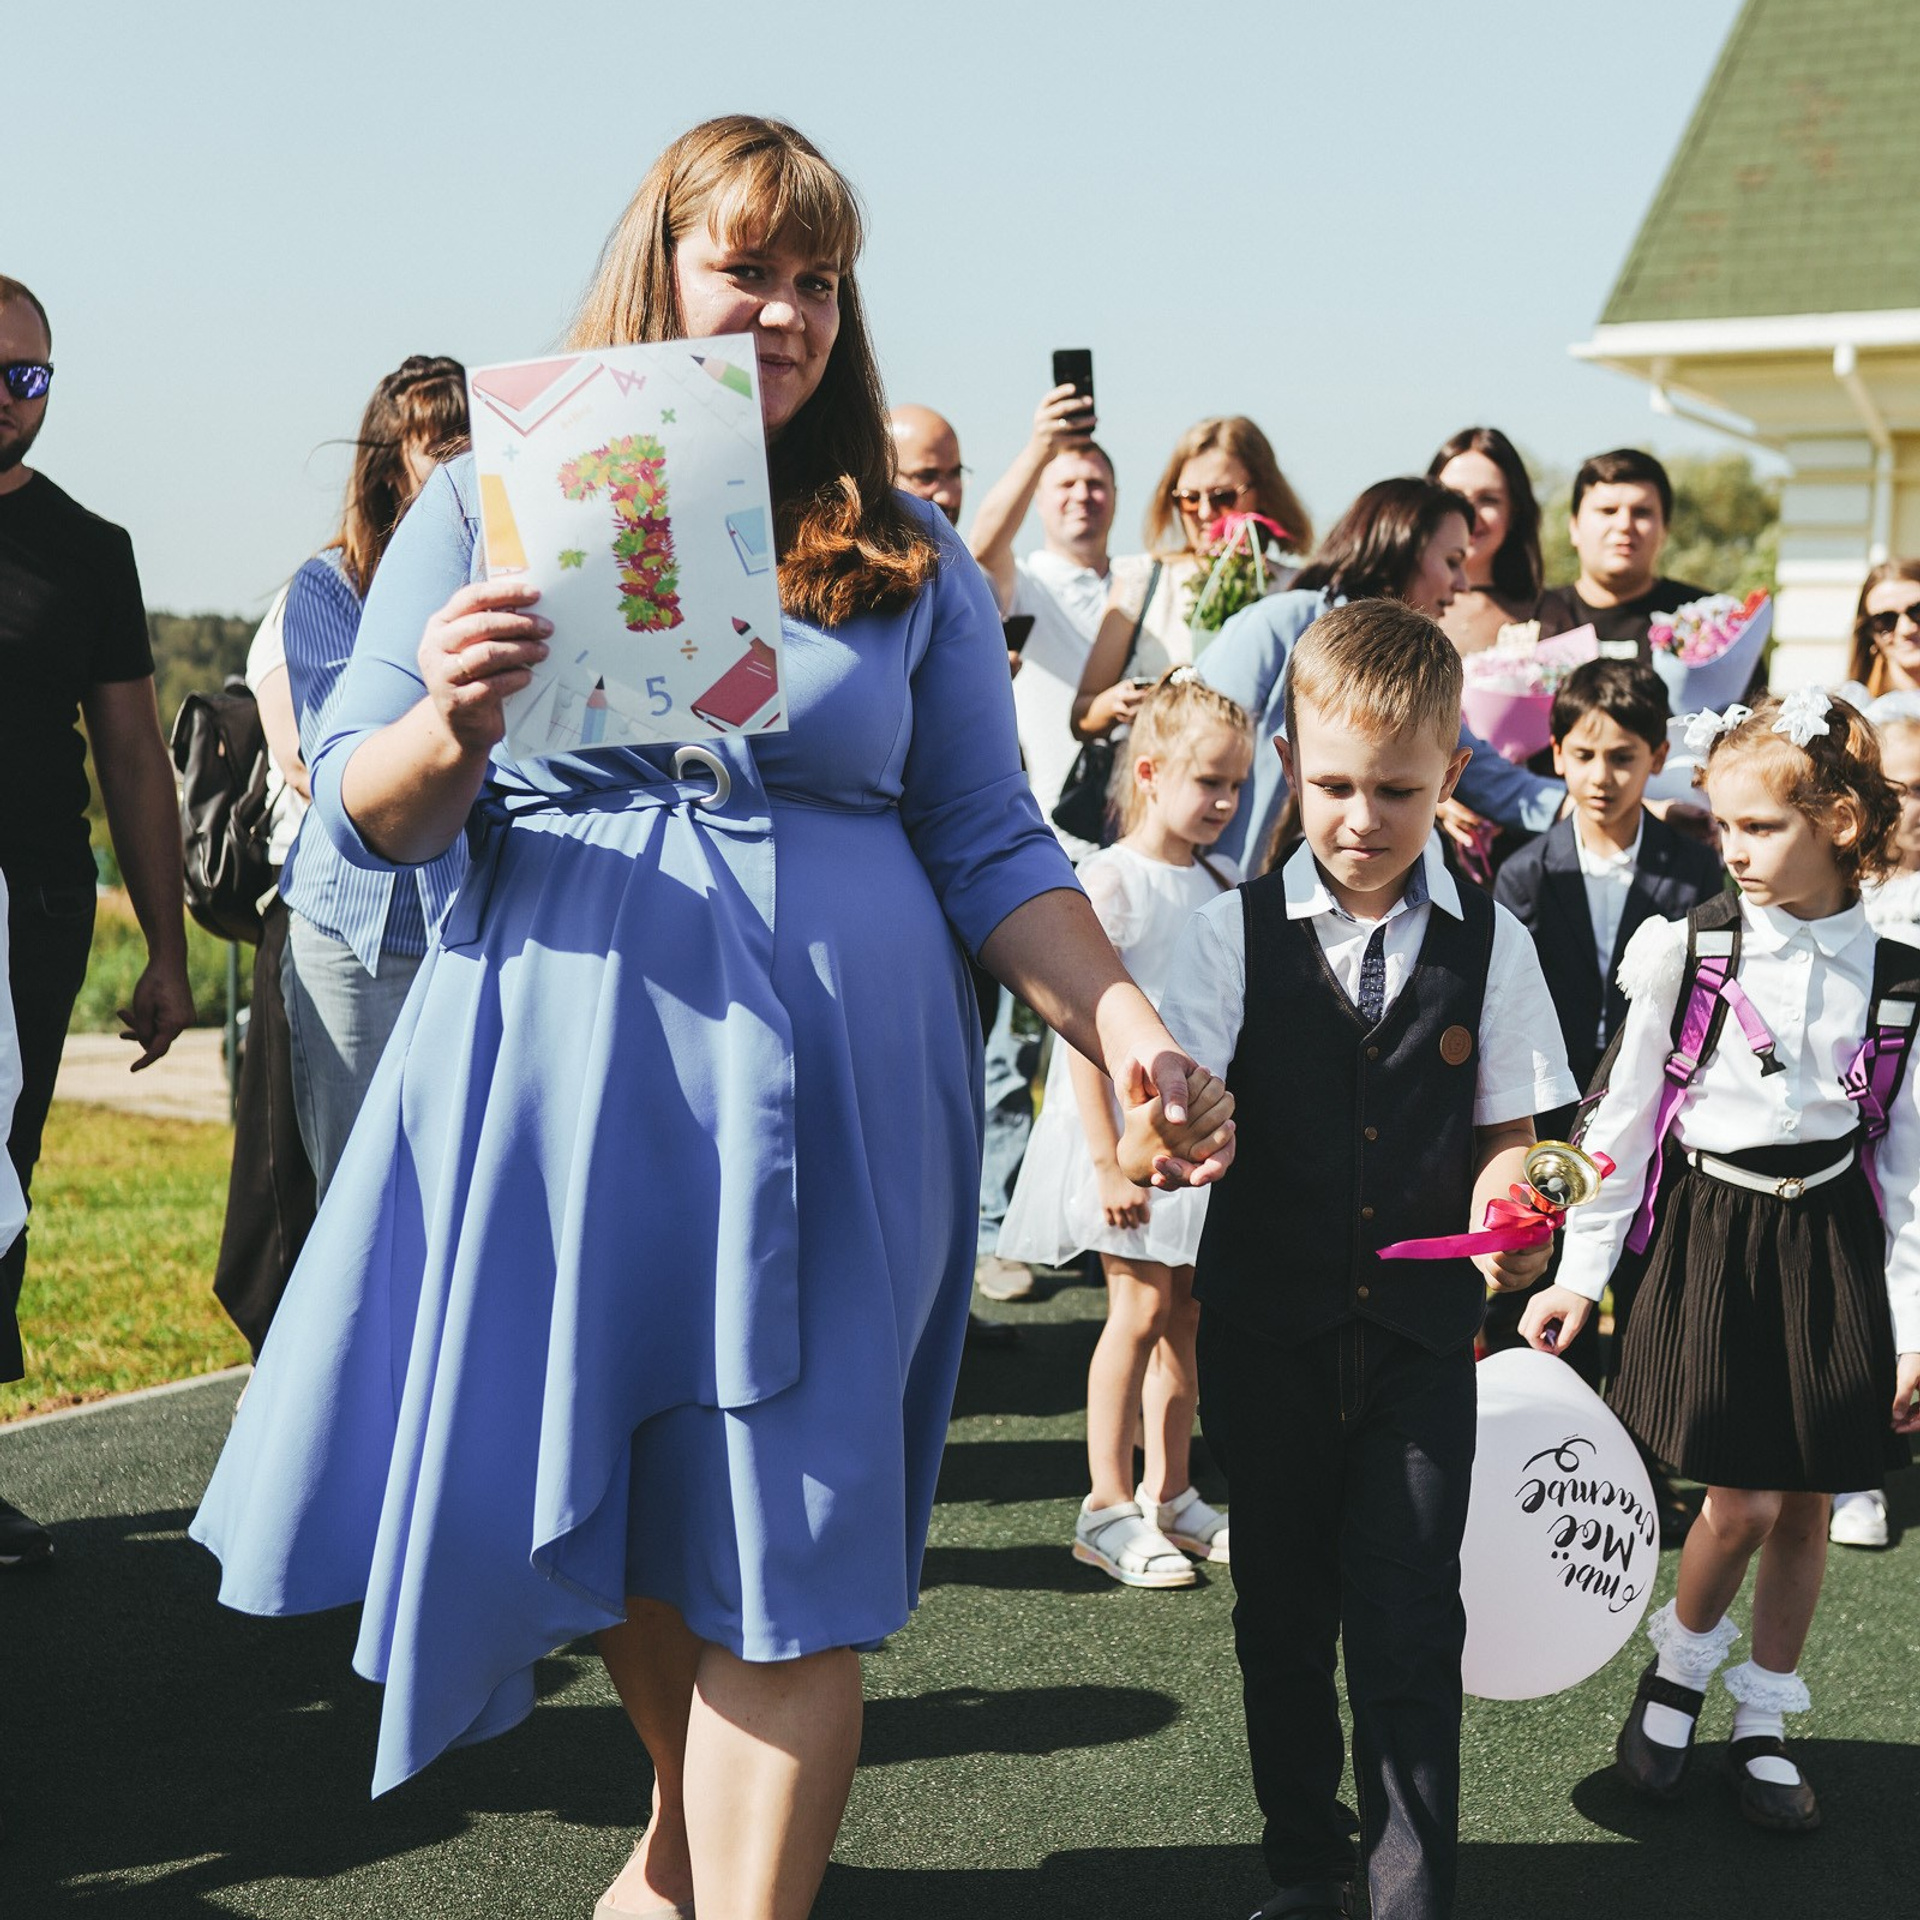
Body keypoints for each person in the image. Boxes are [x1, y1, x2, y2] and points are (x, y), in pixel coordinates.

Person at [190, 116, 1235, 1920]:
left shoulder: (910, 550)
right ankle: (681, 1845)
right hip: (573, 1088)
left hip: (844, 1101)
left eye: (818, 278)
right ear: (656, 272)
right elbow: (364, 808)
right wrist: (450, 721)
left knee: (793, 1555)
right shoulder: (485, 503)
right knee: (639, 1515)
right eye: (746, 267)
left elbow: (991, 840)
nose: (788, 310)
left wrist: (1124, 1027)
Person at [1159, 602, 1577, 1920]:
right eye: (1335, 784)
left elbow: (1509, 1138)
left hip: (1417, 1346)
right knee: (1282, 1622)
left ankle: (1409, 1897)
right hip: (1265, 1338)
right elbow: (1167, 1106)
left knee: (1408, 1626)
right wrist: (1171, 1128)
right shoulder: (1228, 933)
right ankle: (1305, 1864)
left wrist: (1515, 1214)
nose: (1361, 817)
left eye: (1398, 790)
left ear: (1452, 771)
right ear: (1290, 760)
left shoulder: (1491, 941)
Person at [1523, 690, 1920, 1834]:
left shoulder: (1899, 979)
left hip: (1832, 1241)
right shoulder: (1688, 948)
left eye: (1760, 827)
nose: (1733, 850)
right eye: (1725, 827)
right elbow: (1620, 1123)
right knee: (1738, 1498)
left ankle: (1763, 1718)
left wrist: (1912, 1328)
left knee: (1808, 1502)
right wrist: (1578, 1274)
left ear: (1840, 821)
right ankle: (1678, 1676)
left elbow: (1908, 1172)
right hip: (1715, 1237)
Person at [0, 276, 194, 1569]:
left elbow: (133, 757)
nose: (9, 397)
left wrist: (168, 951)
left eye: (29, 376)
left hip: (32, 907)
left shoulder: (88, 548)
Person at [998, 670, 1250, 1585]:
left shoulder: (1223, 878)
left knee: (1185, 1315)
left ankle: (1170, 1491)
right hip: (1124, 1136)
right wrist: (1108, 1161)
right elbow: (1081, 1029)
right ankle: (1105, 1503)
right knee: (1137, 1310)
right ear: (1149, 772)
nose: (1224, 801)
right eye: (1208, 781)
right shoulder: (1111, 881)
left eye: (1236, 784)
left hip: (1190, 1140)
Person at [1487, 660, 1725, 1386]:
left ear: (1658, 757)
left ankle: (1638, 1437)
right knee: (1539, 1304)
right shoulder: (1523, 870)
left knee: (1651, 1298)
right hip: (1549, 1115)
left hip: (1653, 1120)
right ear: (1556, 753)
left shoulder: (1694, 872)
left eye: (1623, 757)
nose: (1601, 777)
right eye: (1584, 755)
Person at [277, 356, 470, 1197]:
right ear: (391, 467)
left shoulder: (507, 582)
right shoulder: (329, 588)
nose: (463, 459)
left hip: (468, 918)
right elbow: (338, 757)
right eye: (442, 443)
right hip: (356, 929)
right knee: (360, 1189)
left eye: (475, 440)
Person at [1197, 477, 1564, 874]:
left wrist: (1586, 801)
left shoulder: (1417, 666)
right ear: (1402, 548)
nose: (1462, 584)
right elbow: (1190, 742)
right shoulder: (1279, 622)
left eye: (1395, 790)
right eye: (1452, 561)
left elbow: (1489, 777)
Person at [888, 400, 1043, 1319]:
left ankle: (954, 1281)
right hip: (889, 901)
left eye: (954, 474)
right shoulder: (879, 567)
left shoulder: (961, 579)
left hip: (969, 887)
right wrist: (1045, 447)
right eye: (924, 475)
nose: (942, 492)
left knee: (967, 1075)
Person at [211, 585, 319, 1353]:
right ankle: (277, 1354)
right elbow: (304, 760)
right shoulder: (305, 600)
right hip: (305, 899)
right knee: (284, 1161)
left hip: (426, 899)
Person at [1069, 415, 1309, 746]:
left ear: (1263, 493)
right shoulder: (1144, 579)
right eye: (1190, 498)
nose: (1205, 512)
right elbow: (1082, 716)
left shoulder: (1296, 589)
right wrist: (1117, 702)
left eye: (1223, 497)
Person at [1829, 701, 1920, 1550]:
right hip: (1864, 1110)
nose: (1914, 806)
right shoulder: (1841, 893)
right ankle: (1854, 1470)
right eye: (1901, 787)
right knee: (1856, 1272)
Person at [968, 382, 1113, 841]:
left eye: (1095, 484)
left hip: (1140, 836)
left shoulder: (1141, 582)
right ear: (1038, 498)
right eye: (1066, 484)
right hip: (1053, 830)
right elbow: (983, 547)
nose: (1082, 495)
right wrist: (1040, 448)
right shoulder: (1025, 585)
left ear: (1116, 493)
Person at [1536, 448, 1709, 657]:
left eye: (1641, 512)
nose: (1624, 525)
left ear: (1664, 530)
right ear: (1574, 527)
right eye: (1608, 510)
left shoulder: (1709, 623)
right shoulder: (1530, 619)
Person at [1426, 426, 1544, 655]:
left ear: (1515, 512)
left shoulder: (1547, 614)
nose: (1470, 514)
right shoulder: (1390, 604)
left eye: (1488, 499)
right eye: (1454, 497)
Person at [1841, 559, 1920, 699]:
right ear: (1869, 635)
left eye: (1917, 612)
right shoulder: (1856, 708)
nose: (1906, 629)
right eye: (1886, 620)